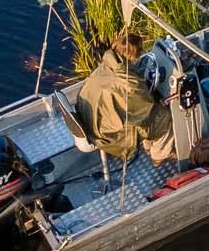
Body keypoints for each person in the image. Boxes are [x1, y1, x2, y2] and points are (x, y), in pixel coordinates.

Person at [75, 32, 175, 162]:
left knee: (148, 116)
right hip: (108, 134)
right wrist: (159, 100)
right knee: (166, 116)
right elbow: (146, 108)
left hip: (90, 121)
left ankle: (148, 145)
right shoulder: (129, 82)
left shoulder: (105, 65)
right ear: (133, 56)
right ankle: (159, 154)